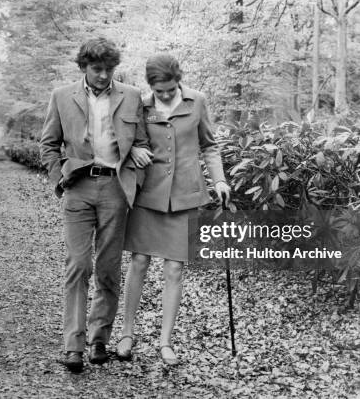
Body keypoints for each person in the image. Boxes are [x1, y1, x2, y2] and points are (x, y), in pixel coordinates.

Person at [40, 38, 153, 373]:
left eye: (109, 69)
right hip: (78, 186)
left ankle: (99, 338)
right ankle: (72, 345)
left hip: (117, 188)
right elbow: (48, 143)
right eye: (96, 69)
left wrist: (135, 158)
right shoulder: (62, 96)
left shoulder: (131, 96)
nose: (103, 75)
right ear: (83, 68)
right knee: (78, 264)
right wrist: (59, 178)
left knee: (107, 266)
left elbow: (142, 141)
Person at [116, 53, 230, 366]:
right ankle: (126, 333)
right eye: (159, 90)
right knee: (139, 261)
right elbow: (130, 141)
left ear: (178, 80)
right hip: (148, 193)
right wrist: (136, 150)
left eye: (169, 89)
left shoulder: (197, 101)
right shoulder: (141, 104)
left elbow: (209, 145)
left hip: (185, 195)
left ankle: (165, 342)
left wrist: (219, 180)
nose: (164, 95)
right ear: (150, 86)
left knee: (174, 268)